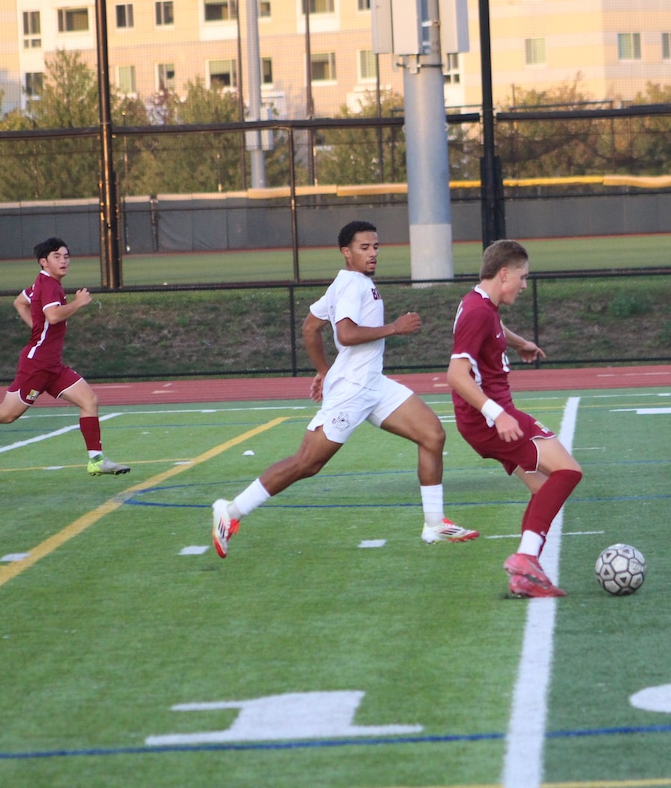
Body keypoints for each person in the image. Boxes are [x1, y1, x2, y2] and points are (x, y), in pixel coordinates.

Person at [211, 220, 477, 557]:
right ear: (346, 252)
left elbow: (310, 328)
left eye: (376, 247)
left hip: (373, 384)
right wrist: (393, 328)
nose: (373, 253)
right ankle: (230, 512)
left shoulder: (346, 282)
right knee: (307, 463)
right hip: (352, 390)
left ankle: (434, 524)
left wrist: (324, 370)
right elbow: (346, 334)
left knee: (432, 434)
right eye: (364, 248)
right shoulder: (353, 286)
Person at [447, 239, 583, 598]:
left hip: (483, 422)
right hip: (491, 421)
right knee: (569, 472)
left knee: (543, 489)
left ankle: (524, 575)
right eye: (522, 277)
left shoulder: (479, 303)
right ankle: (525, 559)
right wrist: (499, 416)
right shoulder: (478, 312)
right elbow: (456, 375)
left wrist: (518, 342)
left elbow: (492, 329)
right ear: (503, 273)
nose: (525, 285)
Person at [0, 238, 130, 476]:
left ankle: (96, 460)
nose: (63, 261)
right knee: (6, 414)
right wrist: (79, 303)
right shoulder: (48, 284)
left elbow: (19, 302)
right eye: (57, 256)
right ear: (43, 262)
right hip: (37, 365)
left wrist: (37, 330)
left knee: (89, 401)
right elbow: (52, 316)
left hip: (53, 366)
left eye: (66, 256)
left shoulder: (43, 282)